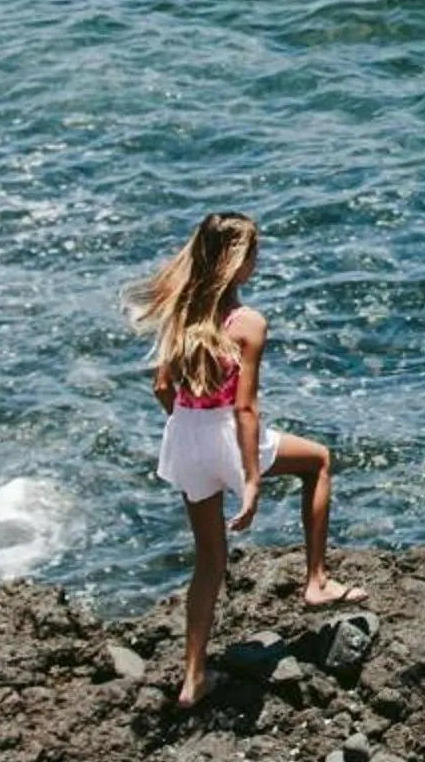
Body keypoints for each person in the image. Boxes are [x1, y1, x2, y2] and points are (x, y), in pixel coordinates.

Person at [130, 211, 362, 709]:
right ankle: (317, 581)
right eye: (253, 254)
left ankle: (193, 678)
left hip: (185, 437)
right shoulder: (247, 323)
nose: (257, 262)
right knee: (318, 461)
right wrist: (251, 480)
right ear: (237, 262)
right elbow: (245, 409)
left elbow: (161, 387)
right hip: (226, 435)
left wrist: (187, 427)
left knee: (209, 561)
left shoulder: (181, 314)